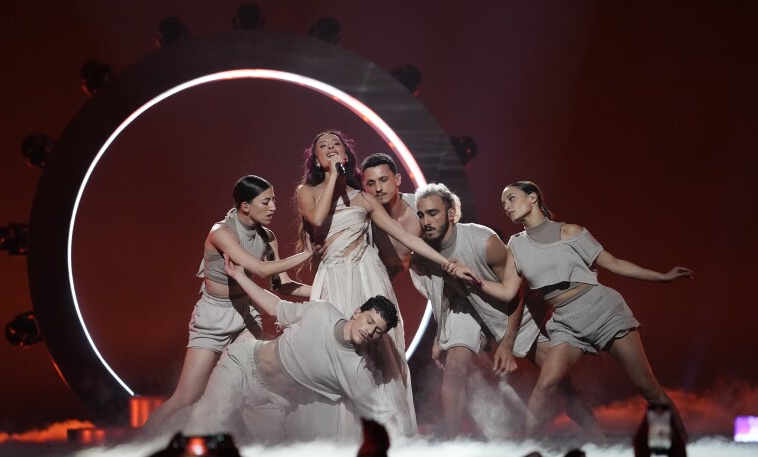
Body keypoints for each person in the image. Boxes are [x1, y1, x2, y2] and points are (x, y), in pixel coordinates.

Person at [455, 180, 693, 439]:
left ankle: (678, 446)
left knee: (648, 388)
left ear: (533, 197)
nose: (507, 207)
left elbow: (614, 263)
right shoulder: (515, 245)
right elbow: (508, 292)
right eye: (504, 204)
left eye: (511, 198)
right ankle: (525, 453)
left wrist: (662, 277)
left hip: (602, 309)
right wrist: (472, 278)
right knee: (545, 386)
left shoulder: (570, 231)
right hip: (566, 321)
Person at [293, 130, 479, 440]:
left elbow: (405, 235)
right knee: (334, 351)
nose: (331, 149)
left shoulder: (364, 198)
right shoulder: (307, 192)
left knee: (378, 353)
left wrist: (448, 264)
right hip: (333, 278)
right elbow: (316, 219)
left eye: (336, 144)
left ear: (347, 154)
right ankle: (340, 436)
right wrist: (333, 181)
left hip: (368, 274)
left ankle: (387, 434)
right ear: (316, 158)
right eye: (323, 147)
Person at [410, 183, 603, 439]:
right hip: (469, 307)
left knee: (559, 382)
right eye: (421, 215)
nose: (426, 221)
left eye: (432, 213)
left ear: (451, 214)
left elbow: (517, 288)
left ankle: (596, 436)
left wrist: (507, 342)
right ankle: (452, 442)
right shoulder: (425, 253)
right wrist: (439, 336)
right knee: (455, 366)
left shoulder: (484, 241)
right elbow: (444, 293)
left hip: (512, 310)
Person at [144, 175, 314, 432]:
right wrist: (306, 254)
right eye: (266, 202)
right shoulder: (220, 233)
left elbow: (282, 283)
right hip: (213, 315)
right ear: (245, 206)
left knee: (257, 387)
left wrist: (327, 289)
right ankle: (142, 448)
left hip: (246, 315)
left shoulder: (267, 237)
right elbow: (258, 268)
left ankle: (250, 448)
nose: (273, 208)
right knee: (185, 397)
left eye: (274, 201)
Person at [184, 254, 414, 443]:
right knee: (205, 425)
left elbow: (383, 415)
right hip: (243, 365)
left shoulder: (355, 371)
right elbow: (275, 307)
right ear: (356, 313)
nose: (370, 331)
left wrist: (405, 453)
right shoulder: (322, 312)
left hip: (273, 401)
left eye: (378, 331)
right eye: (370, 321)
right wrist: (239, 277)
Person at [360, 153, 422, 279]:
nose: (378, 188)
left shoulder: (420, 209)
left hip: (422, 288)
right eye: (371, 183)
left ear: (397, 179)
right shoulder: (363, 223)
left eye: (383, 180)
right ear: (365, 187)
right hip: (380, 289)